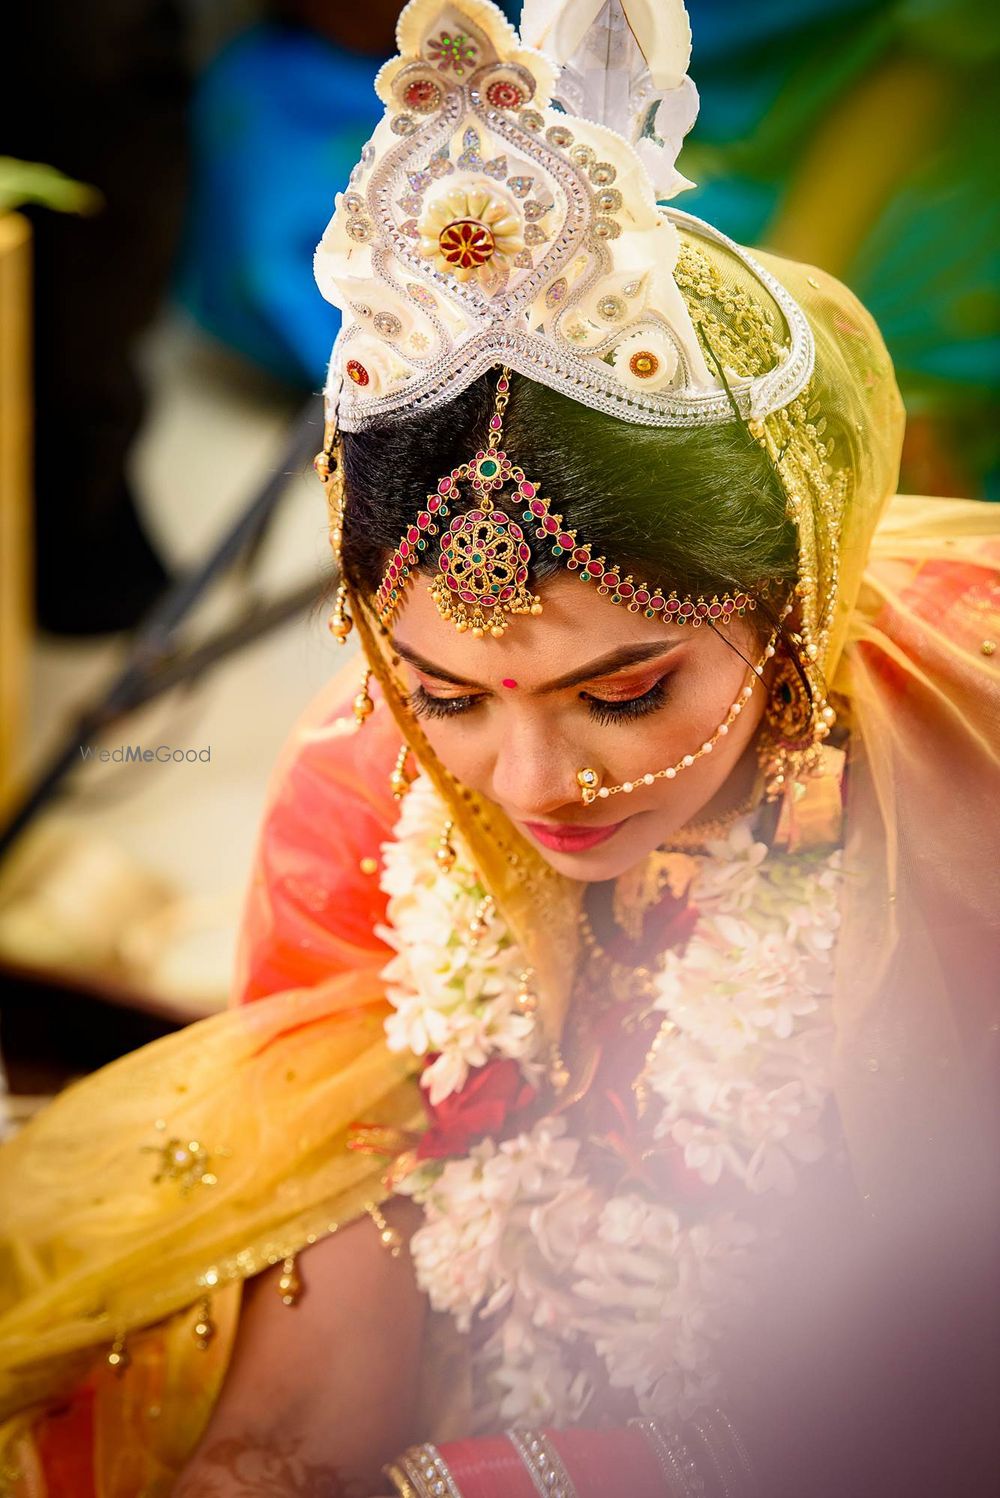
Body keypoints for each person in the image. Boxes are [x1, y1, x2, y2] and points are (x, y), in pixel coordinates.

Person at [0, 1, 997, 1494]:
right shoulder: (368, 779)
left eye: (622, 691)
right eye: (451, 695)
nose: (530, 789)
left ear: (796, 601)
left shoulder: (954, 830)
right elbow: (354, 1163)